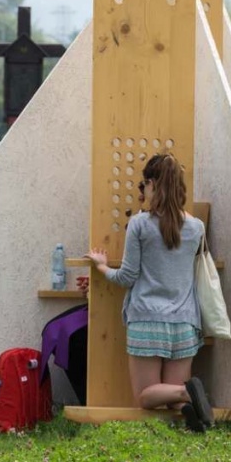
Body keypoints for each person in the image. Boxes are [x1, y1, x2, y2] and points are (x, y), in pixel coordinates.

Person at [86, 153, 215, 432]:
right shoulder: (195, 227)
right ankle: (188, 405)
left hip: (147, 319)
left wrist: (102, 267)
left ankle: (185, 393)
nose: (140, 192)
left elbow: (128, 276)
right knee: (171, 397)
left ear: (152, 184)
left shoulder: (140, 224)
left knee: (146, 397)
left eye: (142, 186)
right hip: (184, 321)